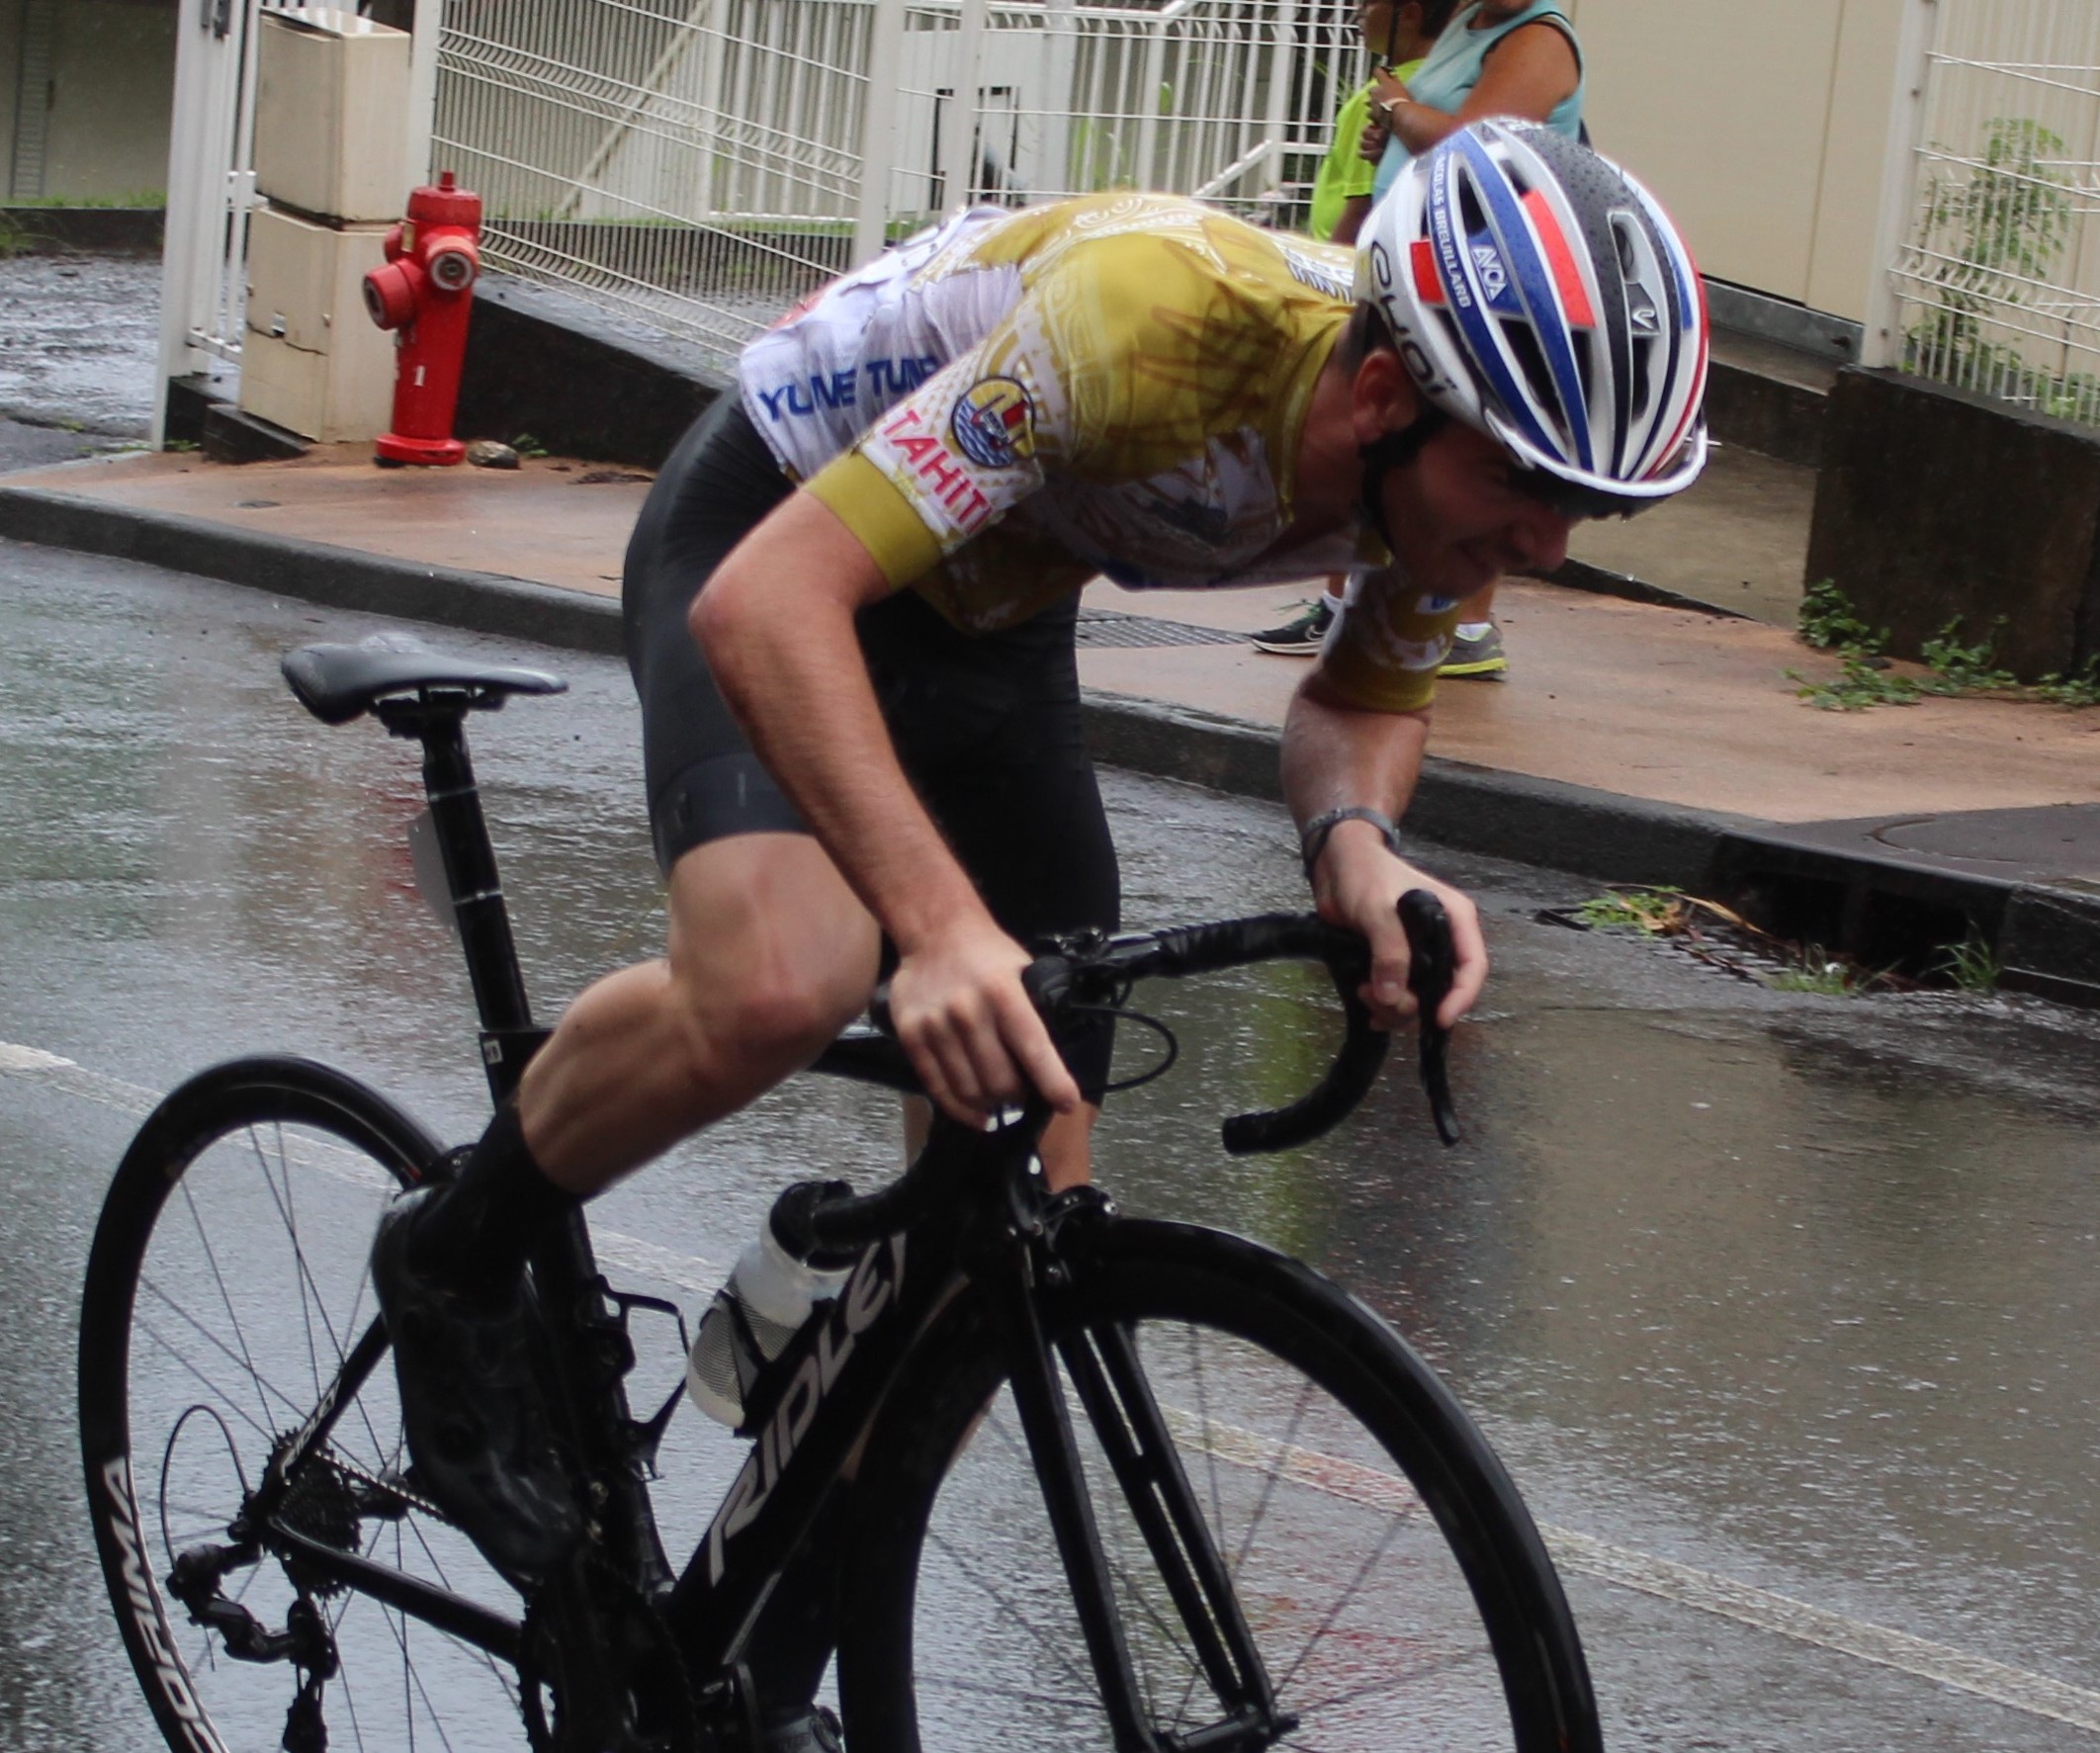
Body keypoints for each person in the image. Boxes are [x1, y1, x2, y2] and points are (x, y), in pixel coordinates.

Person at [370, 121, 1708, 1749]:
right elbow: (766, 610)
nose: (1547, 543)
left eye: (1580, 505)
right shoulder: (1145, 326)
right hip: (780, 536)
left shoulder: (1438, 472)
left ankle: (746, 1688)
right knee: (785, 978)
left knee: (1019, 1167)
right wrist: (933, 925)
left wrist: (1357, 849)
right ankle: (452, 1255)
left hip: (994, 612)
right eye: (1522, 486)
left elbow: (1360, 704)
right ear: (1379, 398)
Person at [1356, 0, 1587, 679]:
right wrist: (1392, 134)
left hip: (1486, 278)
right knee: (1403, 439)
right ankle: (1394, 608)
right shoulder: (1468, 22)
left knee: (1474, 442)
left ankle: (1464, 625)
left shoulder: (1540, 37)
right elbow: (1429, 117)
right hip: (1420, 266)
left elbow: (1473, 146)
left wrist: (1399, 111)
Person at [1253, 0, 1458, 659]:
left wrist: (1318, 279)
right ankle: (1356, 606)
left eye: (1371, 3)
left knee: (1350, 449)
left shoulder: (1388, 99)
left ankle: (1339, 607)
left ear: (1408, 12)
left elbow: (1358, 202)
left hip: (1353, 287)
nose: (1358, 13)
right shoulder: (1441, 91)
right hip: (1402, 290)